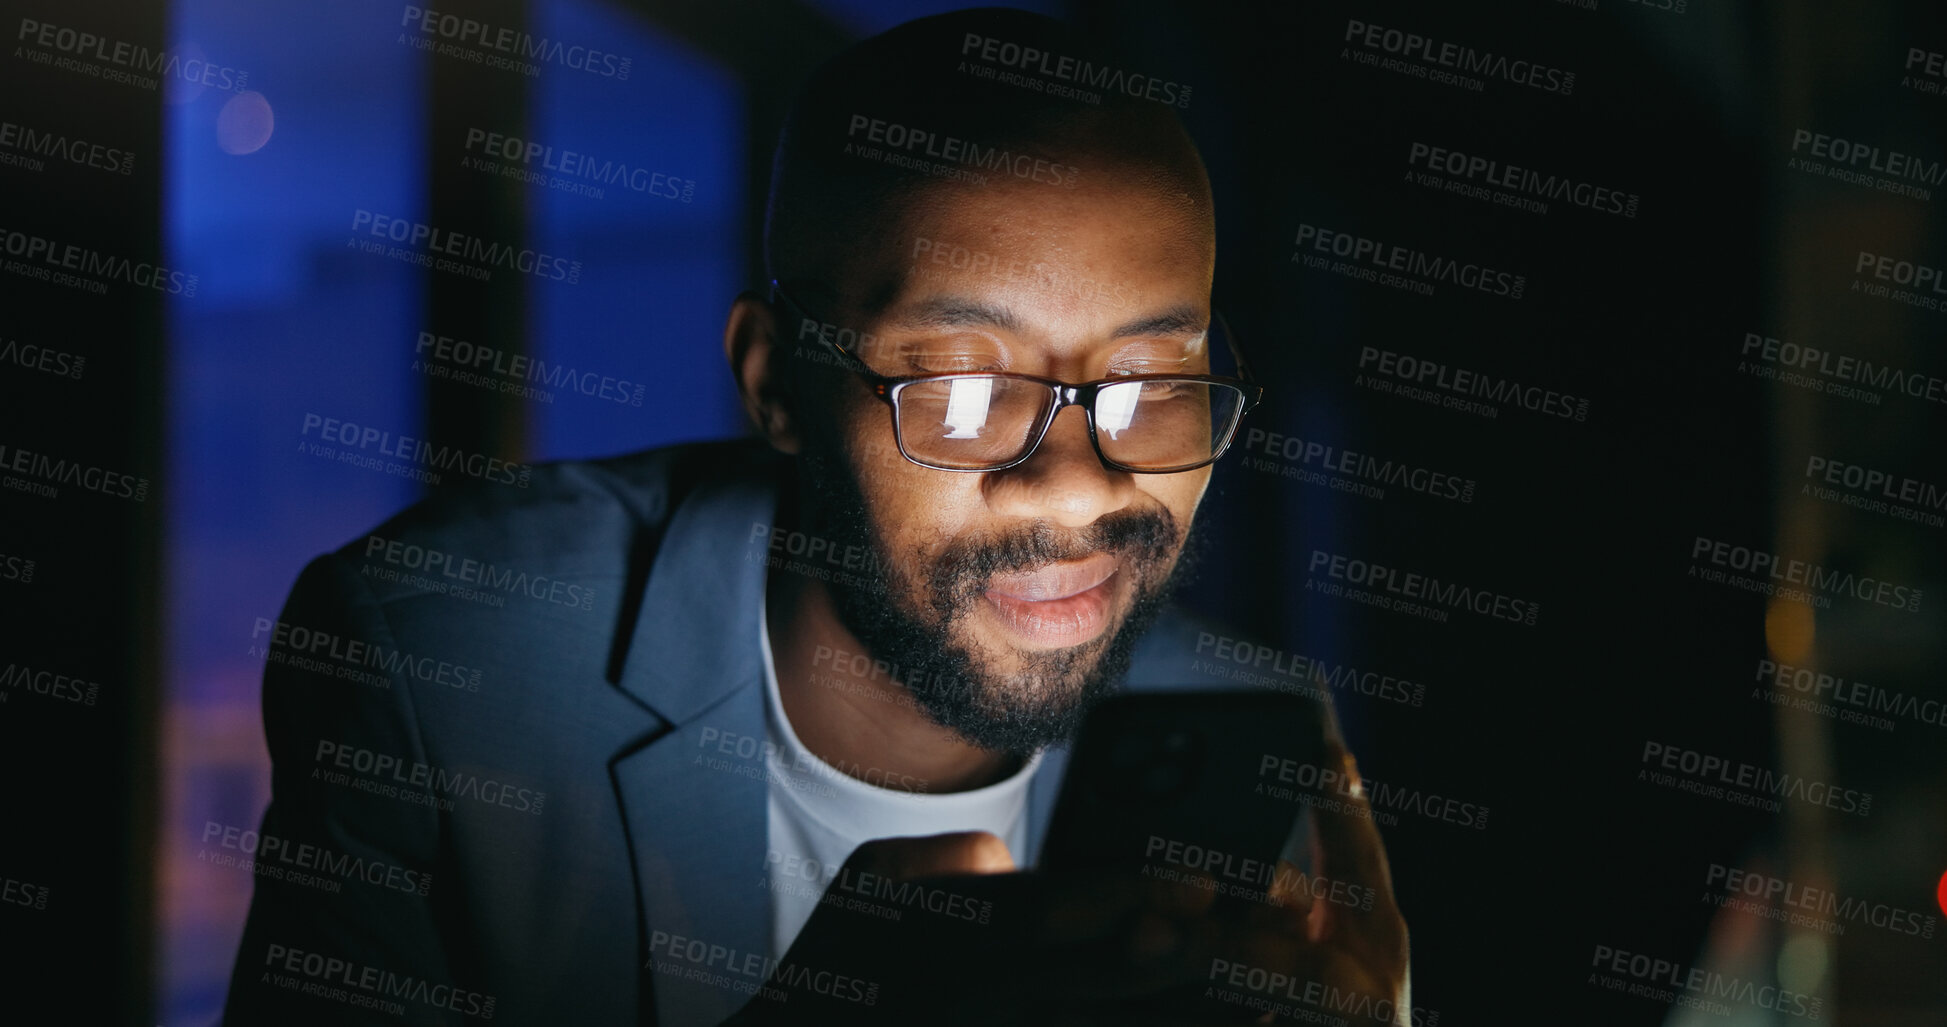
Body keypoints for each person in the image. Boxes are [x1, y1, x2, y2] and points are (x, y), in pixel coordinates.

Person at [224, 9, 1409, 1025]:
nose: (1077, 482)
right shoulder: (446, 654)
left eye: (1151, 386)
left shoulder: (1244, 736)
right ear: (774, 381)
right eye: (960, 387)